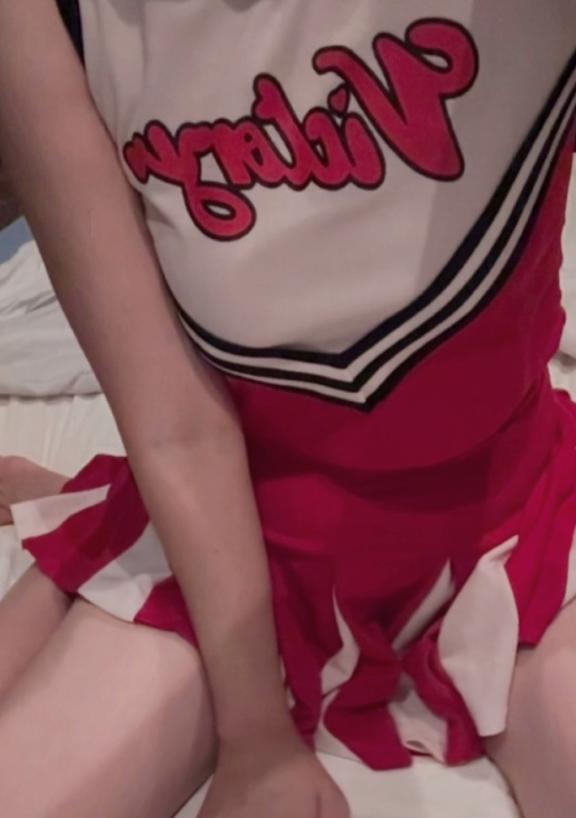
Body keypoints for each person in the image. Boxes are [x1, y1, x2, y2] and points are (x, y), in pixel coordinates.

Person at [0, 2, 574, 817]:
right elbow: (173, 423)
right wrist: (254, 733)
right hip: (236, 531)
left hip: (517, 518)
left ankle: (61, 495)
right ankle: (81, 503)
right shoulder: (37, 20)